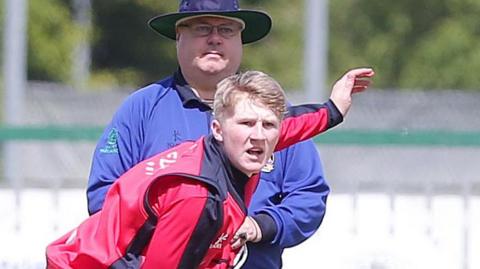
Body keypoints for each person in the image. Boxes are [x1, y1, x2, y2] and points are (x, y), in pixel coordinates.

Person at [86, 0, 347, 267]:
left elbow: (309, 196)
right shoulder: (141, 109)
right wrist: (175, 228)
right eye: (202, 28)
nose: (215, 39)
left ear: (240, 39)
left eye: (226, 30)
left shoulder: (272, 114)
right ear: (179, 35)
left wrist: (261, 226)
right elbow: (104, 197)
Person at [47, 69, 375, 269]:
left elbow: (284, 128)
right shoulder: (199, 198)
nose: (258, 135)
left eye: (269, 125)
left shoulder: (235, 146)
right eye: (247, 123)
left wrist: (332, 111)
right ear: (217, 129)